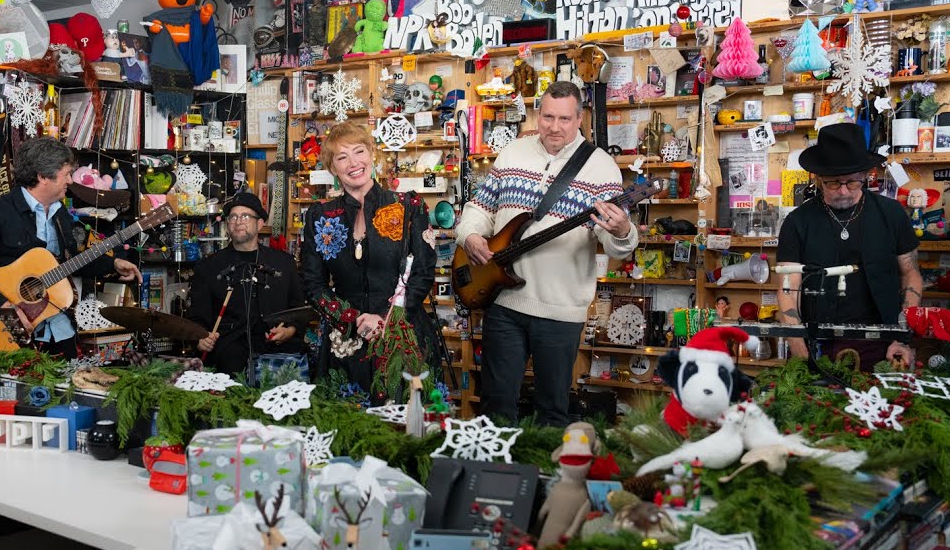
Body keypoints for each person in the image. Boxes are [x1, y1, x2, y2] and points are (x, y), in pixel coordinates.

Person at [456, 81, 638, 425]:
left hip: (560, 311)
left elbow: (616, 244)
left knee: (552, 411)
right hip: (504, 303)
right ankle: (499, 474)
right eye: (548, 117)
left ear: (580, 118)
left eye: (565, 119)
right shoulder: (513, 152)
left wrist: (622, 231)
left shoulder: (601, 167)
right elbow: (479, 207)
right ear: (538, 113)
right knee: (495, 406)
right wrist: (470, 236)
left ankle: (549, 478)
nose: (555, 127)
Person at [0, 137, 139, 358]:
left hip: (59, 331)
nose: (70, 180)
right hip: (10, 335)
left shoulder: (61, 215)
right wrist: (3, 306)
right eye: (66, 173)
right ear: (42, 177)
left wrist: (113, 263)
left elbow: (69, 264)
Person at [301, 122, 437, 399]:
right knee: (347, 426)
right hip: (344, 341)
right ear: (332, 168)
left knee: (405, 428)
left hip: (402, 333)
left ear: (372, 153)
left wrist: (386, 321)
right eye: (342, 157)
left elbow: (423, 273)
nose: (353, 163)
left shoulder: (408, 206)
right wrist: (352, 320)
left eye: (358, 151)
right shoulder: (319, 216)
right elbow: (313, 284)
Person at [776, 123, 922, 369]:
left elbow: (911, 274)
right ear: (818, 178)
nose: (843, 191)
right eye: (833, 183)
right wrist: (801, 352)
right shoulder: (797, 222)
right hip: (816, 343)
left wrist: (902, 338)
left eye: (852, 183)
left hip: (882, 344)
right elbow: (787, 291)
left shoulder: (892, 213)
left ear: (866, 175)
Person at [188, 193, 306, 377]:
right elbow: (197, 318)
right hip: (227, 355)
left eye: (245, 216)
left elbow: (299, 310)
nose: (238, 221)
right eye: (233, 217)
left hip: (276, 355)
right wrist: (201, 338)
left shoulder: (284, 263)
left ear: (259, 224)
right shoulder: (209, 267)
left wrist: (289, 330)